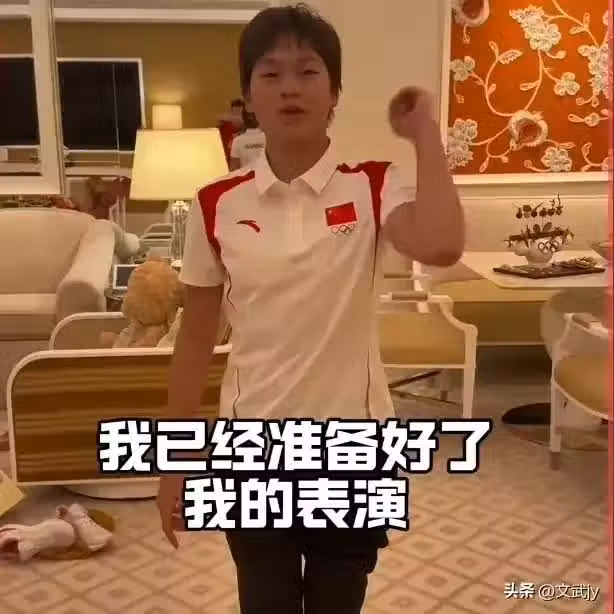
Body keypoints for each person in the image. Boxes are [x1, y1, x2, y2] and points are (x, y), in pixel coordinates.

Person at [157, 4, 464, 614]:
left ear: (335, 93)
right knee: (264, 602)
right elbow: (194, 339)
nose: (290, 88)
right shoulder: (216, 204)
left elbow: (442, 244)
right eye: (270, 74)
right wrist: (175, 461)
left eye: (308, 71)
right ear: (249, 96)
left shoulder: (372, 185)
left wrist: (425, 135)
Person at [217, 98, 245, 162]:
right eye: (235, 114)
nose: (238, 118)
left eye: (240, 114)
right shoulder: (223, 127)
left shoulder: (250, 130)